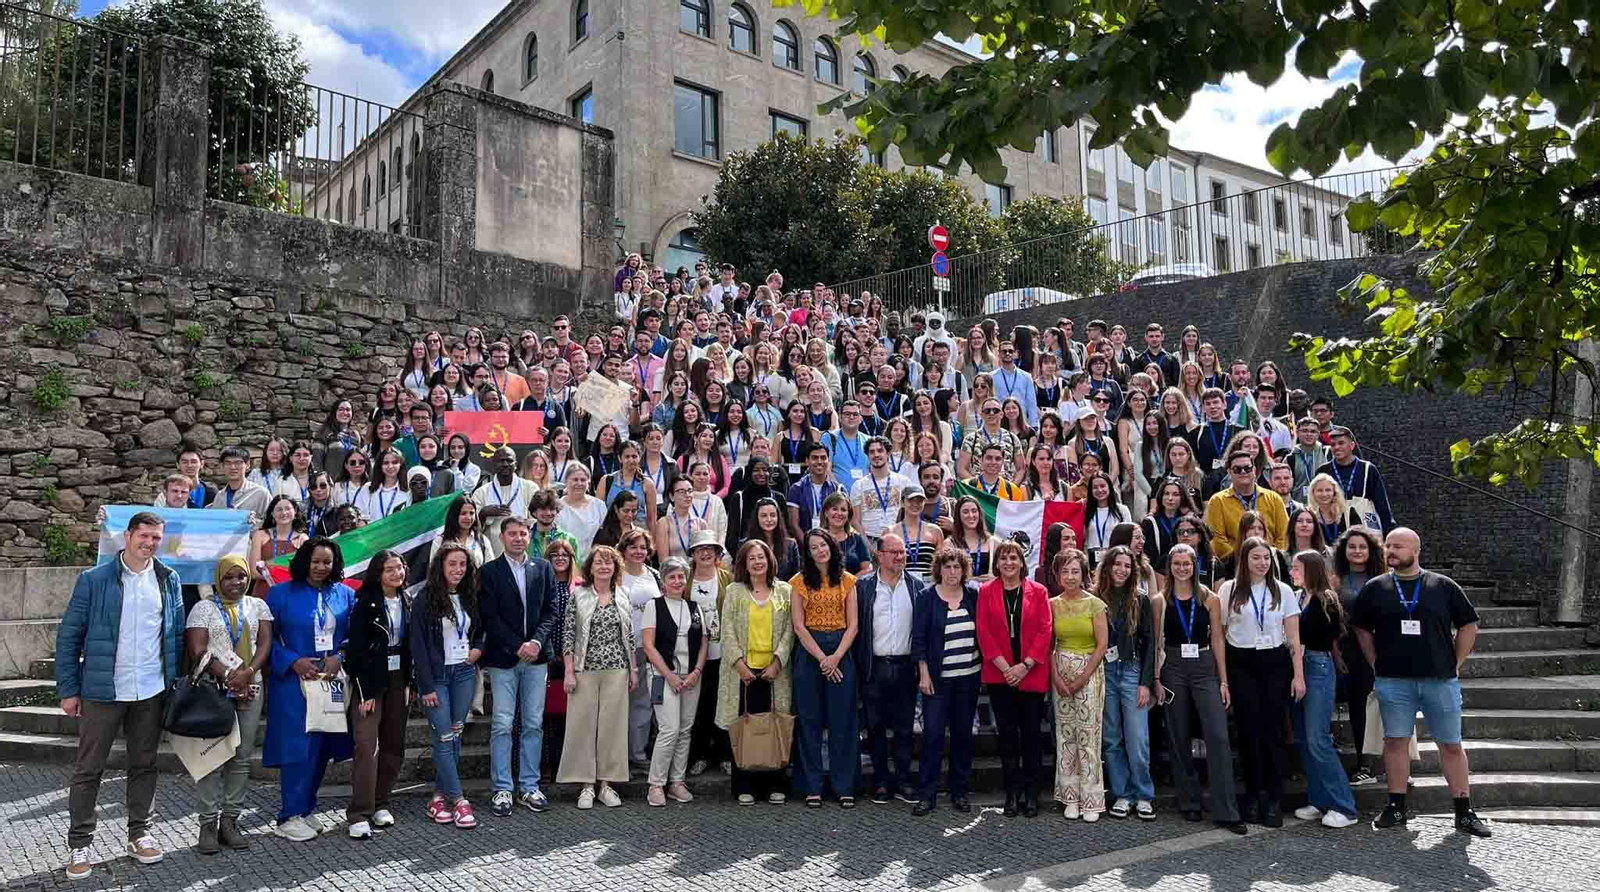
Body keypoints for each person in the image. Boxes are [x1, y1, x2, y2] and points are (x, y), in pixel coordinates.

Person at [55, 511, 187, 879]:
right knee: (89, 768)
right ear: (127, 537)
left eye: (156, 538)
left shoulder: (169, 579)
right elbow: (69, 636)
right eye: (144, 535)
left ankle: (139, 833)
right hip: (101, 689)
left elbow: (174, 638)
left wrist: (173, 685)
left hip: (150, 689)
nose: (149, 543)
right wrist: (68, 689)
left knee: (144, 764)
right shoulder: (93, 579)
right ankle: (80, 844)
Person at [1350, 528, 1491, 837]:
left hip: (1439, 681)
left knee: (1451, 745)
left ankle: (1464, 811)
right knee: (1396, 742)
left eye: (1398, 546)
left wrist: (1455, 662)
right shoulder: (1376, 588)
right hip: (1394, 681)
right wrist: (1376, 663)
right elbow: (1361, 628)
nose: (1390, 551)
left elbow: (1469, 624)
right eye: (1388, 546)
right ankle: (1396, 807)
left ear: (1416, 550)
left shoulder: (1442, 586)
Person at [263, 538, 356, 841]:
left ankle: (306, 808)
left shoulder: (345, 595)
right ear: (304, 560)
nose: (320, 567)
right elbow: (265, 640)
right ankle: (288, 815)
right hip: (293, 681)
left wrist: (339, 656)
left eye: (327, 562)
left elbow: (355, 636)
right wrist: (291, 661)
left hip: (330, 678)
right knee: (297, 747)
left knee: (322, 745)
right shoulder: (279, 595)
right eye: (315, 561)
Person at [1152, 544, 1244, 832]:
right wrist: (1155, 679)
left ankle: (1226, 809)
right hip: (1173, 665)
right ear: (1170, 567)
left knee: (1217, 735)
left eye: (1187, 563)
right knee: (1178, 734)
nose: (1182, 568)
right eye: (1177, 563)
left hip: (1204, 664)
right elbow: (1156, 642)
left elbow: (1217, 639)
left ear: (1195, 566)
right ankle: (1189, 802)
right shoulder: (1159, 600)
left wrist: (1223, 680)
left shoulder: (1210, 598)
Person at [186, 555, 273, 854]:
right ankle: (208, 824)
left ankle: (230, 821)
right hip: (214, 689)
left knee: (242, 756)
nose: (236, 583)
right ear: (218, 579)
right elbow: (198, 650)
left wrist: (248, 673)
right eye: (229, 577)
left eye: (241, 577)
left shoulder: (257, 605)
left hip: (251, 687)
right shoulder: (204, 608)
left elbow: (265, 644)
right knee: (213, 756)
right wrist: (227, 674)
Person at [1217, 536, 1306, 827]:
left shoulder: (1283, 591)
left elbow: (1293, 637)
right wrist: (1224, 679)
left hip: (1274, 663)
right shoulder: (1229, 590)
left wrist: (1298, 675)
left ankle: (1274, 798)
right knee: (1248, 732)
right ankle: (1253, 795)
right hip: (1241, 663)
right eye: (1256, 557)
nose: (1262, 562)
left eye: (1266, 558)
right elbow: (1219, 634)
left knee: (1274, 731)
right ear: (1244, 560)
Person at [478, 517, 562, 816]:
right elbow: (489, 616)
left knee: (533, 724)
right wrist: (517, 645)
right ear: (502, 537)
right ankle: (502, 788)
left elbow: (552, 610)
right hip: (503, 658)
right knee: (502, 724)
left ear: (530, 536)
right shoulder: (489, 572)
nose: (517, 538)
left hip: (537, 659)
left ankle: (529, 786)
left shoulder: (543, 568)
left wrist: (536, 643)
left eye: (523, 533)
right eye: (512, 534)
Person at [410, 543, 486, 829]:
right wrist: (426, 685)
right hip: (437, 678)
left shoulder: (469, 596)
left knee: (455, 734)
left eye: (462, 565)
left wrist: (478, 649)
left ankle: (439, 797)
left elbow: (481, 629)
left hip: (464, 673)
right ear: (440, 566)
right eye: (452, 564)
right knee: (443, 737)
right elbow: (417, 644)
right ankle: (459, 800)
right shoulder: (424, 598)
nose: (458, 570)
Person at [976, 539, 1052, 818]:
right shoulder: (986, 591)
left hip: (1031, 674)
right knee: (1007, 736)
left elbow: (1046, 630)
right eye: (1004, 558)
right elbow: (983, 632)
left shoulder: (1039, 591)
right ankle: (1012, 793)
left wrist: (1025, 665)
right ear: (997, 564)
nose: (1009, 563)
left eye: (1014, 558)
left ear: (1022, 563)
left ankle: (1032, 794)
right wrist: (1006, 667)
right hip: (1000, 675)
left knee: (1031, 735)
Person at [558, 545, 638, 809]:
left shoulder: (623, 595)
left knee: (612, 728)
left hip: (617, 669)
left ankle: (606, 784)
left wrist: (634, 669)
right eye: (598, 563)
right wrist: (569, 671)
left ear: (616, 567)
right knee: (582, 727)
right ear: (590, 568)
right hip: (584, 669)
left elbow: (629, 636)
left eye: (609, 563)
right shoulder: (578, 596)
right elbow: (568, 635)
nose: (604, 567)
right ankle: (586, 786)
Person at [716, 540, 795, 806]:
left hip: (774, 673)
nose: (758, 562)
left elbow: (789, 631)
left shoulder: (785, 591)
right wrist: (740, 665)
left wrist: (778, 662)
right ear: (744, 564)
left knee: (775, 726)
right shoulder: (734, 591)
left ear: (769, 559)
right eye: (752, 558)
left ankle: (775, 784)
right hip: (743, 673)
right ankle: (744, 785)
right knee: (745, 729)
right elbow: (726, 630)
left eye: (761, 557)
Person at [1288, 550, 1361, 828]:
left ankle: (1344, 805)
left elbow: (1322, 635)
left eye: (1297, 568)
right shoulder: (1298, 597)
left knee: (1318, 737)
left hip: (1316, 665)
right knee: (1305, 739)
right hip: (1299, 664)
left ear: (1310, 570)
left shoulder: (1325, 599)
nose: (1292, 572)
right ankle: (1319, 799)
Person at [789, 529, 861, 808]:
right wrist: (822, 658)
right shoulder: (798, 582)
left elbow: (853, 624)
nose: (820, 550)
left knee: (843, 720)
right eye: (814, 547)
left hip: (841, 649)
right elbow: (798, 625)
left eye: (824, 545)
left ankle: (845, 786)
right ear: (807, 552)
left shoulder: (848, 581)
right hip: (810, 653)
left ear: (832, 546)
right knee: (810, 720)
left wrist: (836, 657)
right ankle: (812, 786)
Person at [855, 533, 927, 804]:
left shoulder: (917, 585)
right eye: (894, 552)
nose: (900, 556)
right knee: (875, 727)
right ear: (880, 555)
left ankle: (904, 780)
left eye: (903, 552)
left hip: (906, 666)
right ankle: (881, 781)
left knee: (905, 729)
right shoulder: (863, 587)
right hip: (875, 666)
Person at [344, 550, 411, 840]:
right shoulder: (365, 603)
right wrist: (365, 690)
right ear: (378, 574)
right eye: (389, 570)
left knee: (394, 743)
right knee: (366, 745)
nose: (397, 574)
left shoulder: (408, 601)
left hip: (400, 679)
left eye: (399, 568)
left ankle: (382, 802)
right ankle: (359, 812)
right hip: (371, 681)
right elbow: (356, 650)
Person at [1092, 545, 1158, 820]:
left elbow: (1151, 643)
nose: (1122, 570)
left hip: (1132, 672)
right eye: (1117, 564)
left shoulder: (1140, 599)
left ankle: (1144, 794)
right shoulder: (1095, 597)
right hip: (1105, 671)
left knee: (1138, 738)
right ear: (1107, 567)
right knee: (1111, 738)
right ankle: (1122, 794)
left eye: (1127, 566)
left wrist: (1146, 683)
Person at [641, 557, 709, 806]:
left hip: (691, 677)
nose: (677, 581)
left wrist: (697, 671)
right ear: (664, 581)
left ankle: (677, 782)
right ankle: (655, 784)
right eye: (672, 577)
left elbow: (703, 643)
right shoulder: (654, 606)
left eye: (681, 576)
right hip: (660, 677)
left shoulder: (694, 607)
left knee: (684, 730)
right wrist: (668, 675)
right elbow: (648, 645)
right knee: (668, 729)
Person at [1048, 549, 1109, 822]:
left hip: (1089, 671)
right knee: (1067, 736)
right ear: (1057, 575)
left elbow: (1102, 645)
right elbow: (1048, 646)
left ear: (1084, 574)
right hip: (1059, 671)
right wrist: (1057, 678)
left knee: (1088, 736)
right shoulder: (1051, 604)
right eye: (1065, 571)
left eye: (1075, 571)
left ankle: (1092, 799)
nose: (1070, 577)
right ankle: (1069, 796)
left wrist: (1083, 677)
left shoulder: (1095, 604)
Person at [1333, 525, 1385, 786]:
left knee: (1362, 707)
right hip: (1341, 647)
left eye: (1362, 547)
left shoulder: (1382, 578)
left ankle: (1367, 763)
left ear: (1371, 550)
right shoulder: (1335, 578)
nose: (1356, 551)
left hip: (1372, 649)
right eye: (1352, 546)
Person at [686, 531, 735, 777]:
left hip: (723, 652)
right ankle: (700, 755)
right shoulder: (684, 579)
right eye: (700, 549)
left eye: (710, 549)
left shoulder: (728, 579)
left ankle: (725, 754)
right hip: (693, 655)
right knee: (699, 705)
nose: (705, 553)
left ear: (718, 553)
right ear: (692, 554)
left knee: (723, 702)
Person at [1204, 450, 1290, 562]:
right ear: (1229, 472)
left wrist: (1271, 557)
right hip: (1233, 565)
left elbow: (1284, 534)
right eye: (1237, 469)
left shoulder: (1274, 499)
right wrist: (1243, 559)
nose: (1243, 472)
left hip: (1270, 562)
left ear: (1254, 470)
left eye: (1247, 468)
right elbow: (1217, 539)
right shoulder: (1217, 501)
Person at [1317, 425, 1395, 532]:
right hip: (1334, 528)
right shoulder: (1323, 471)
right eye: (1333, 444)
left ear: (1352, 445)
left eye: (1341, 443)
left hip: (1364, 528)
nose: (1336, 447)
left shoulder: (1368, 469)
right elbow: (1316, 503)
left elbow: (1381, 503)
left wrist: (1389, 530)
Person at [850, 437, 917, 542]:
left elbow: (910, 514)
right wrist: (868, 546)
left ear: (888, 454)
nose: (876, 455)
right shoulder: (858, 485)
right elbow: (855, 521)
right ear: (868, 456)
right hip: (870, 539)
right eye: (872, 452)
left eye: (880, 451)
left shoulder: (904, 482)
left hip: (899, 538)